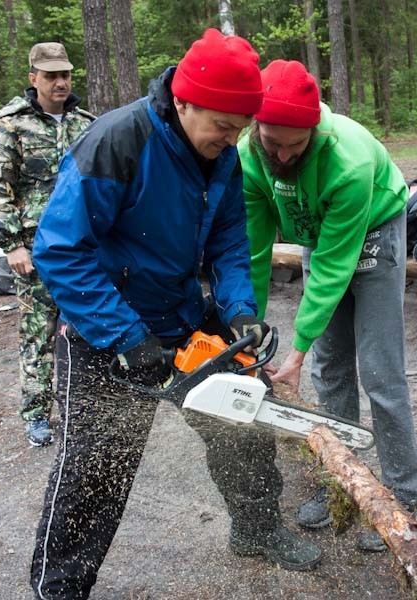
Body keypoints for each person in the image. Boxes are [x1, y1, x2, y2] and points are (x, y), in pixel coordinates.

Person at [29, 30, 322, 599]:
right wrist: (124, 335)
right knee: (96, 466)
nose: (230, 139)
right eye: (222, 126)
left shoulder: (222, 157)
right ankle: (59, 587)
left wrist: (238, 312)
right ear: (185, 101)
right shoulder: (118, 141)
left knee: (242, 422)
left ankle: (257, 529)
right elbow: (59, 250)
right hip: (104, 326)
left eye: (239, 130)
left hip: (184, 313)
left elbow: (231, 242)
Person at [238, 60, 417, 553]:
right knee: (331, 367)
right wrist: (247, 329)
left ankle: (402, 494)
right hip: (318, 231)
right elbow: (254, 252)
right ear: (257, 128)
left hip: (375, 230)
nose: (281, 154)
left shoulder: (349, 161)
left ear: (314, 131)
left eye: (294, 146)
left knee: (381, 371)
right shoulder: (249, 154)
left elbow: (333, 269)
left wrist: (295, 350)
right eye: (272, 142)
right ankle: (341, 478)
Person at [0, 42, 95, 447]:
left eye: (65, 74)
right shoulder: (8, 126)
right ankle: (37, 414)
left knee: (89, 328)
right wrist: (12, 245)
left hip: (84, 248)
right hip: (37, 251)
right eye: (50, 76)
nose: (60, 82)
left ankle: (88, 407)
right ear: (33, 79)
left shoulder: (86, 123)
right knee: (38, 333)